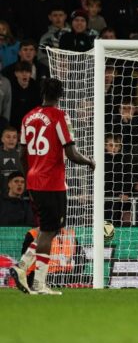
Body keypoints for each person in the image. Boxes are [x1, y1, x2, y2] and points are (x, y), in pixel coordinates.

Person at [10, 78, 95, 295]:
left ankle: (22, 268)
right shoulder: (60, 116)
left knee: (48, 229)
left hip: (34, 180)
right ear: (61, 95)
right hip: (52, 183)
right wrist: (90, 162)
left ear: (42, 92)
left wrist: (30, 173)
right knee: (50, 231)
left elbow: (21, 153)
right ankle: (38, 282)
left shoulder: (28, 117)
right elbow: (71, 153)